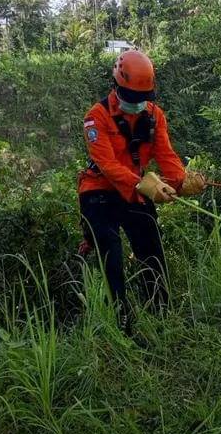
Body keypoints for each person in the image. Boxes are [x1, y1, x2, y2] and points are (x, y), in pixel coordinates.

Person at [77, 49, 206, 332]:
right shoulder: (95, 117)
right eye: (132, 98)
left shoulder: (154, 115)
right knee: (111, 251)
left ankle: (160, 313)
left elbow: (166, 154)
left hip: (135, 190)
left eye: (142, 98)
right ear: (116, 86)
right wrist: (141, 183)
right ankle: (123, 321)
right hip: (99, 190)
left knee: (151, 244)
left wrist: (182, 181)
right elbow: (107, 164)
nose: (137, 104)